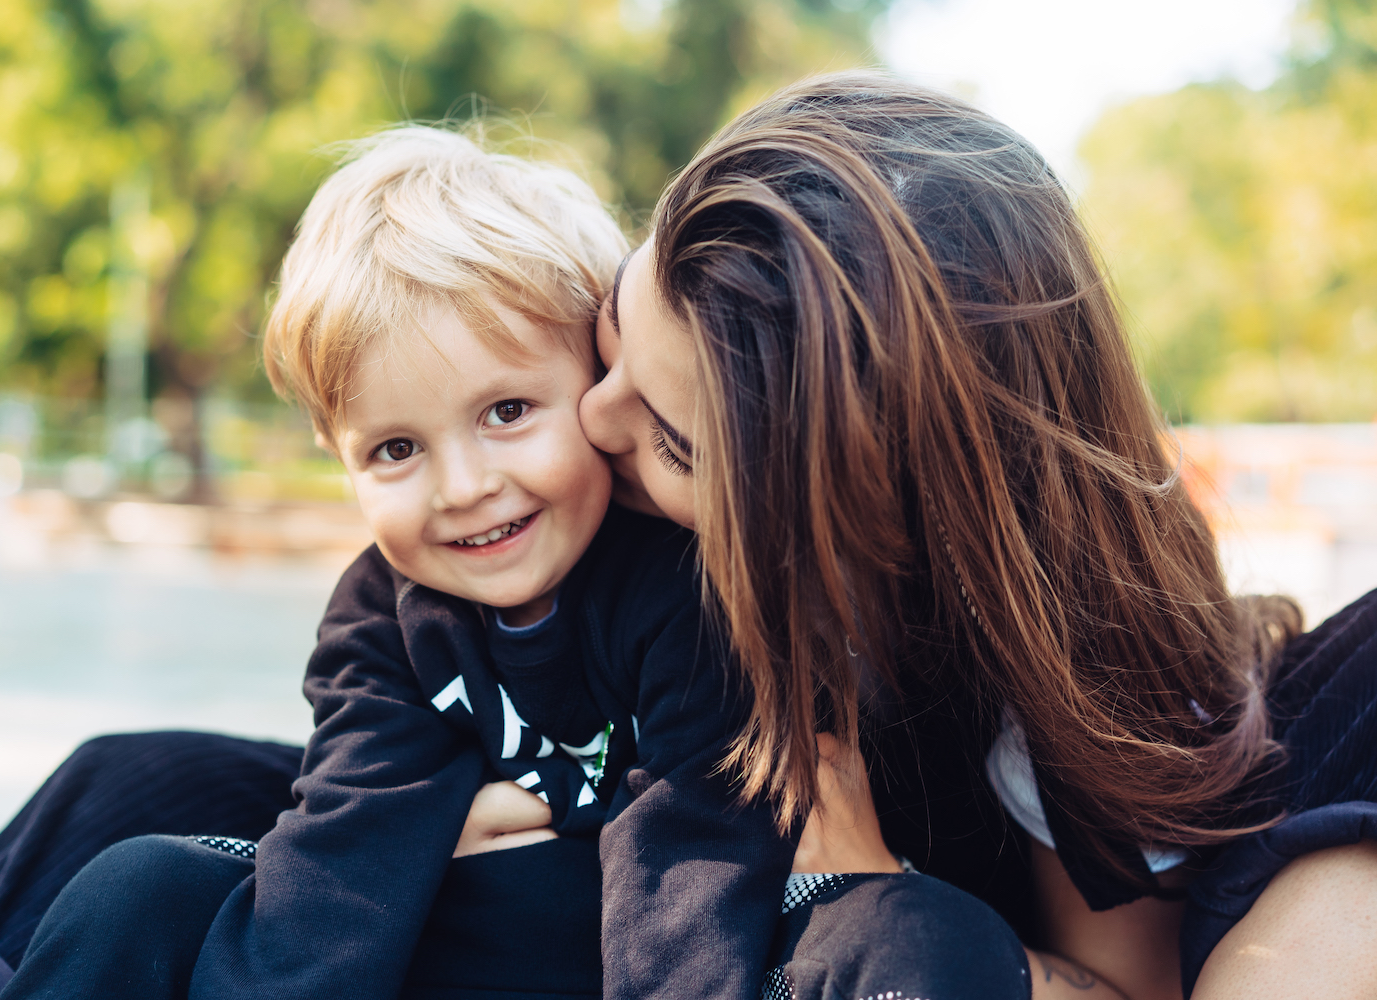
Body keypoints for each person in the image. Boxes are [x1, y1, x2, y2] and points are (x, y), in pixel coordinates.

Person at [0, 123, 1030, 1000]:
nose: (465, 485)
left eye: (507, 411)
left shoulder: (674, 582)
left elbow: (695, 844)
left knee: (934, 941)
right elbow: (347, 834)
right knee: (140, 876)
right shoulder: (384, 615)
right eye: (396, 447)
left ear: (593, 369)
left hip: (691, 944)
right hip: (478, 926)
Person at [575, 70, 1377, 1000]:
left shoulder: (1067, 681)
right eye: (611, 330)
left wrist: (888, 899)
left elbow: (1122, 987)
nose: (593, 418)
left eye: (675, 444)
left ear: (859, 503)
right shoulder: (566, 500)